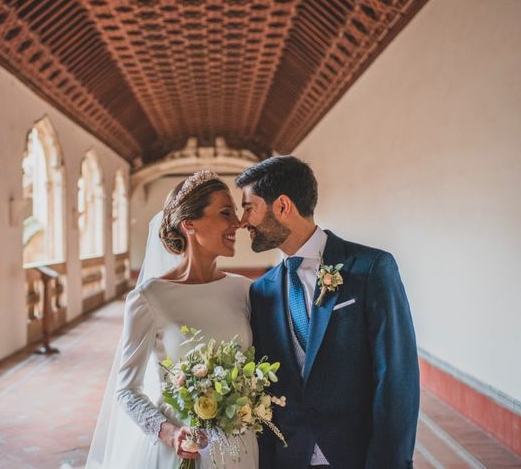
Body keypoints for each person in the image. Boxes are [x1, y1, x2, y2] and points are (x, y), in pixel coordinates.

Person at [236, 156, 419, 469]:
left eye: (248, 206)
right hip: (289, 456)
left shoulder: (371, 269)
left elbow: (397, 379)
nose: (243, 221)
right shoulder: (261, 291)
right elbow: (265, 390)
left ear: (282, 206)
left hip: (357, 456)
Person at [85, 170, 258, 468]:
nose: (238, 223)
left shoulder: (243, 290)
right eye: (225, 212)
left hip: (239, 447)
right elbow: (127, 390)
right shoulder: (150, 297)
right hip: (182, 449)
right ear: (189, 224)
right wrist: (170, 433)